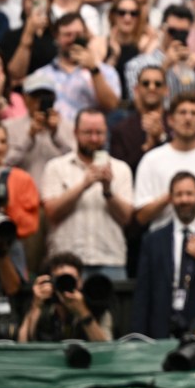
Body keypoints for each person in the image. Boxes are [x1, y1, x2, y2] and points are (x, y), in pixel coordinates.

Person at [131, 171, 195, 339]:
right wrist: (137, 337)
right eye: (178, 194)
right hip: (160, 331)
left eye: (189, 194)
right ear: (170, 199)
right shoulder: (153, 240)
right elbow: (143, 293)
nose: (184, 200)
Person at [41, 109, 134, 282]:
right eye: (87, 133)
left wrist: (108, 190)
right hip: (66, 262)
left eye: (99, 133)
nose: (93, 138)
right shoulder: (55, 167)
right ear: (75, 133)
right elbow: (51, 212)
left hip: (110, 260)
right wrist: (84, 185)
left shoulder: (121, 170)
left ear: (106, 134)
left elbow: (126, 218)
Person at [133, 92, 195, 232]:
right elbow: (141, 217)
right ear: (170, 120)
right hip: (162, 243)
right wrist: (172, 196)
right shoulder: (151, 160)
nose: (188, 118)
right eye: (182, 112)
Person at [35, 13, 121, 123]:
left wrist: (94, 70)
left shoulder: (106, 71)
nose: (73, 40)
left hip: (92, 135)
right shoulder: (41, 75)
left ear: (86, 34)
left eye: (78, 34)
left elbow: (112, 105)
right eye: (67, 35)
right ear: (57, 37)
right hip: (55, 135)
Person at [17, 252, 113, 342]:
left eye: (71, 279)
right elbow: (23, 343)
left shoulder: (96, 308)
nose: (66, 285)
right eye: (61, 280)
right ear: (51, 283)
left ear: (80, 282)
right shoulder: (42, 306)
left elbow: (105, 347)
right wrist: (36, 306)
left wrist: (83, 312)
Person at [109, 65, 169, 175]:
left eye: (158, 84)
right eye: (146, 83)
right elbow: (120, 172)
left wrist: (161, 138)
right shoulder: (122, 129)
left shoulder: (176, 122)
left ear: (166, 90)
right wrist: (147, 147)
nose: (152, 87)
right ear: (136, 89)